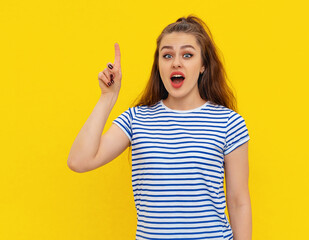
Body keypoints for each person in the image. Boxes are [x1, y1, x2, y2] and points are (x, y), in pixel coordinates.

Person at [68, 15, 251, 240]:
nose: (176, 62)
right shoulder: (137, 119)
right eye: (167, 55)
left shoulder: (229, 123)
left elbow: (238, 201)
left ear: (203, 65)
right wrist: (108, 97)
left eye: (187, 55)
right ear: (159, 65)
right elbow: (79, 161)